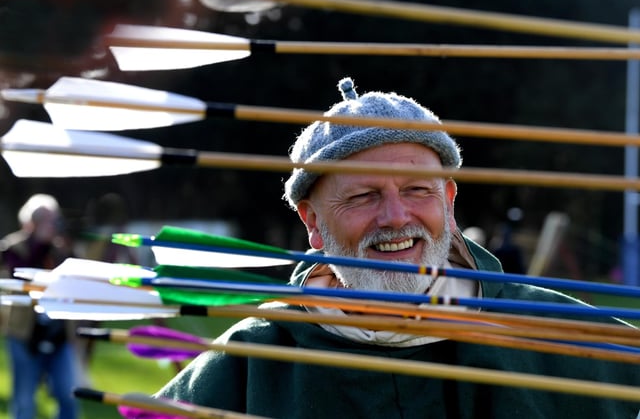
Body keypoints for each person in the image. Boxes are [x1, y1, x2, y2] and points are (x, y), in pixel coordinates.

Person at [154, 78, 640, 418]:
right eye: (364, 196)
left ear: (448, 204)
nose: (395, 217)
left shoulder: (562, 334)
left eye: (417, 191)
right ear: (313, 224)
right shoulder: (249, 359)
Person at [0, 194, 80, 419]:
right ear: (30, 222)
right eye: (44, 219)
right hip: (24, 335)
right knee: (25, 401)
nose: (51, 225)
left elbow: (76, 277)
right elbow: (20, 275)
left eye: (54, 219)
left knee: (68, 394)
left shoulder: (59, 249)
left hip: (58, 334)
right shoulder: (13, 246)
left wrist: (65, 249)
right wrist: (41, 243)